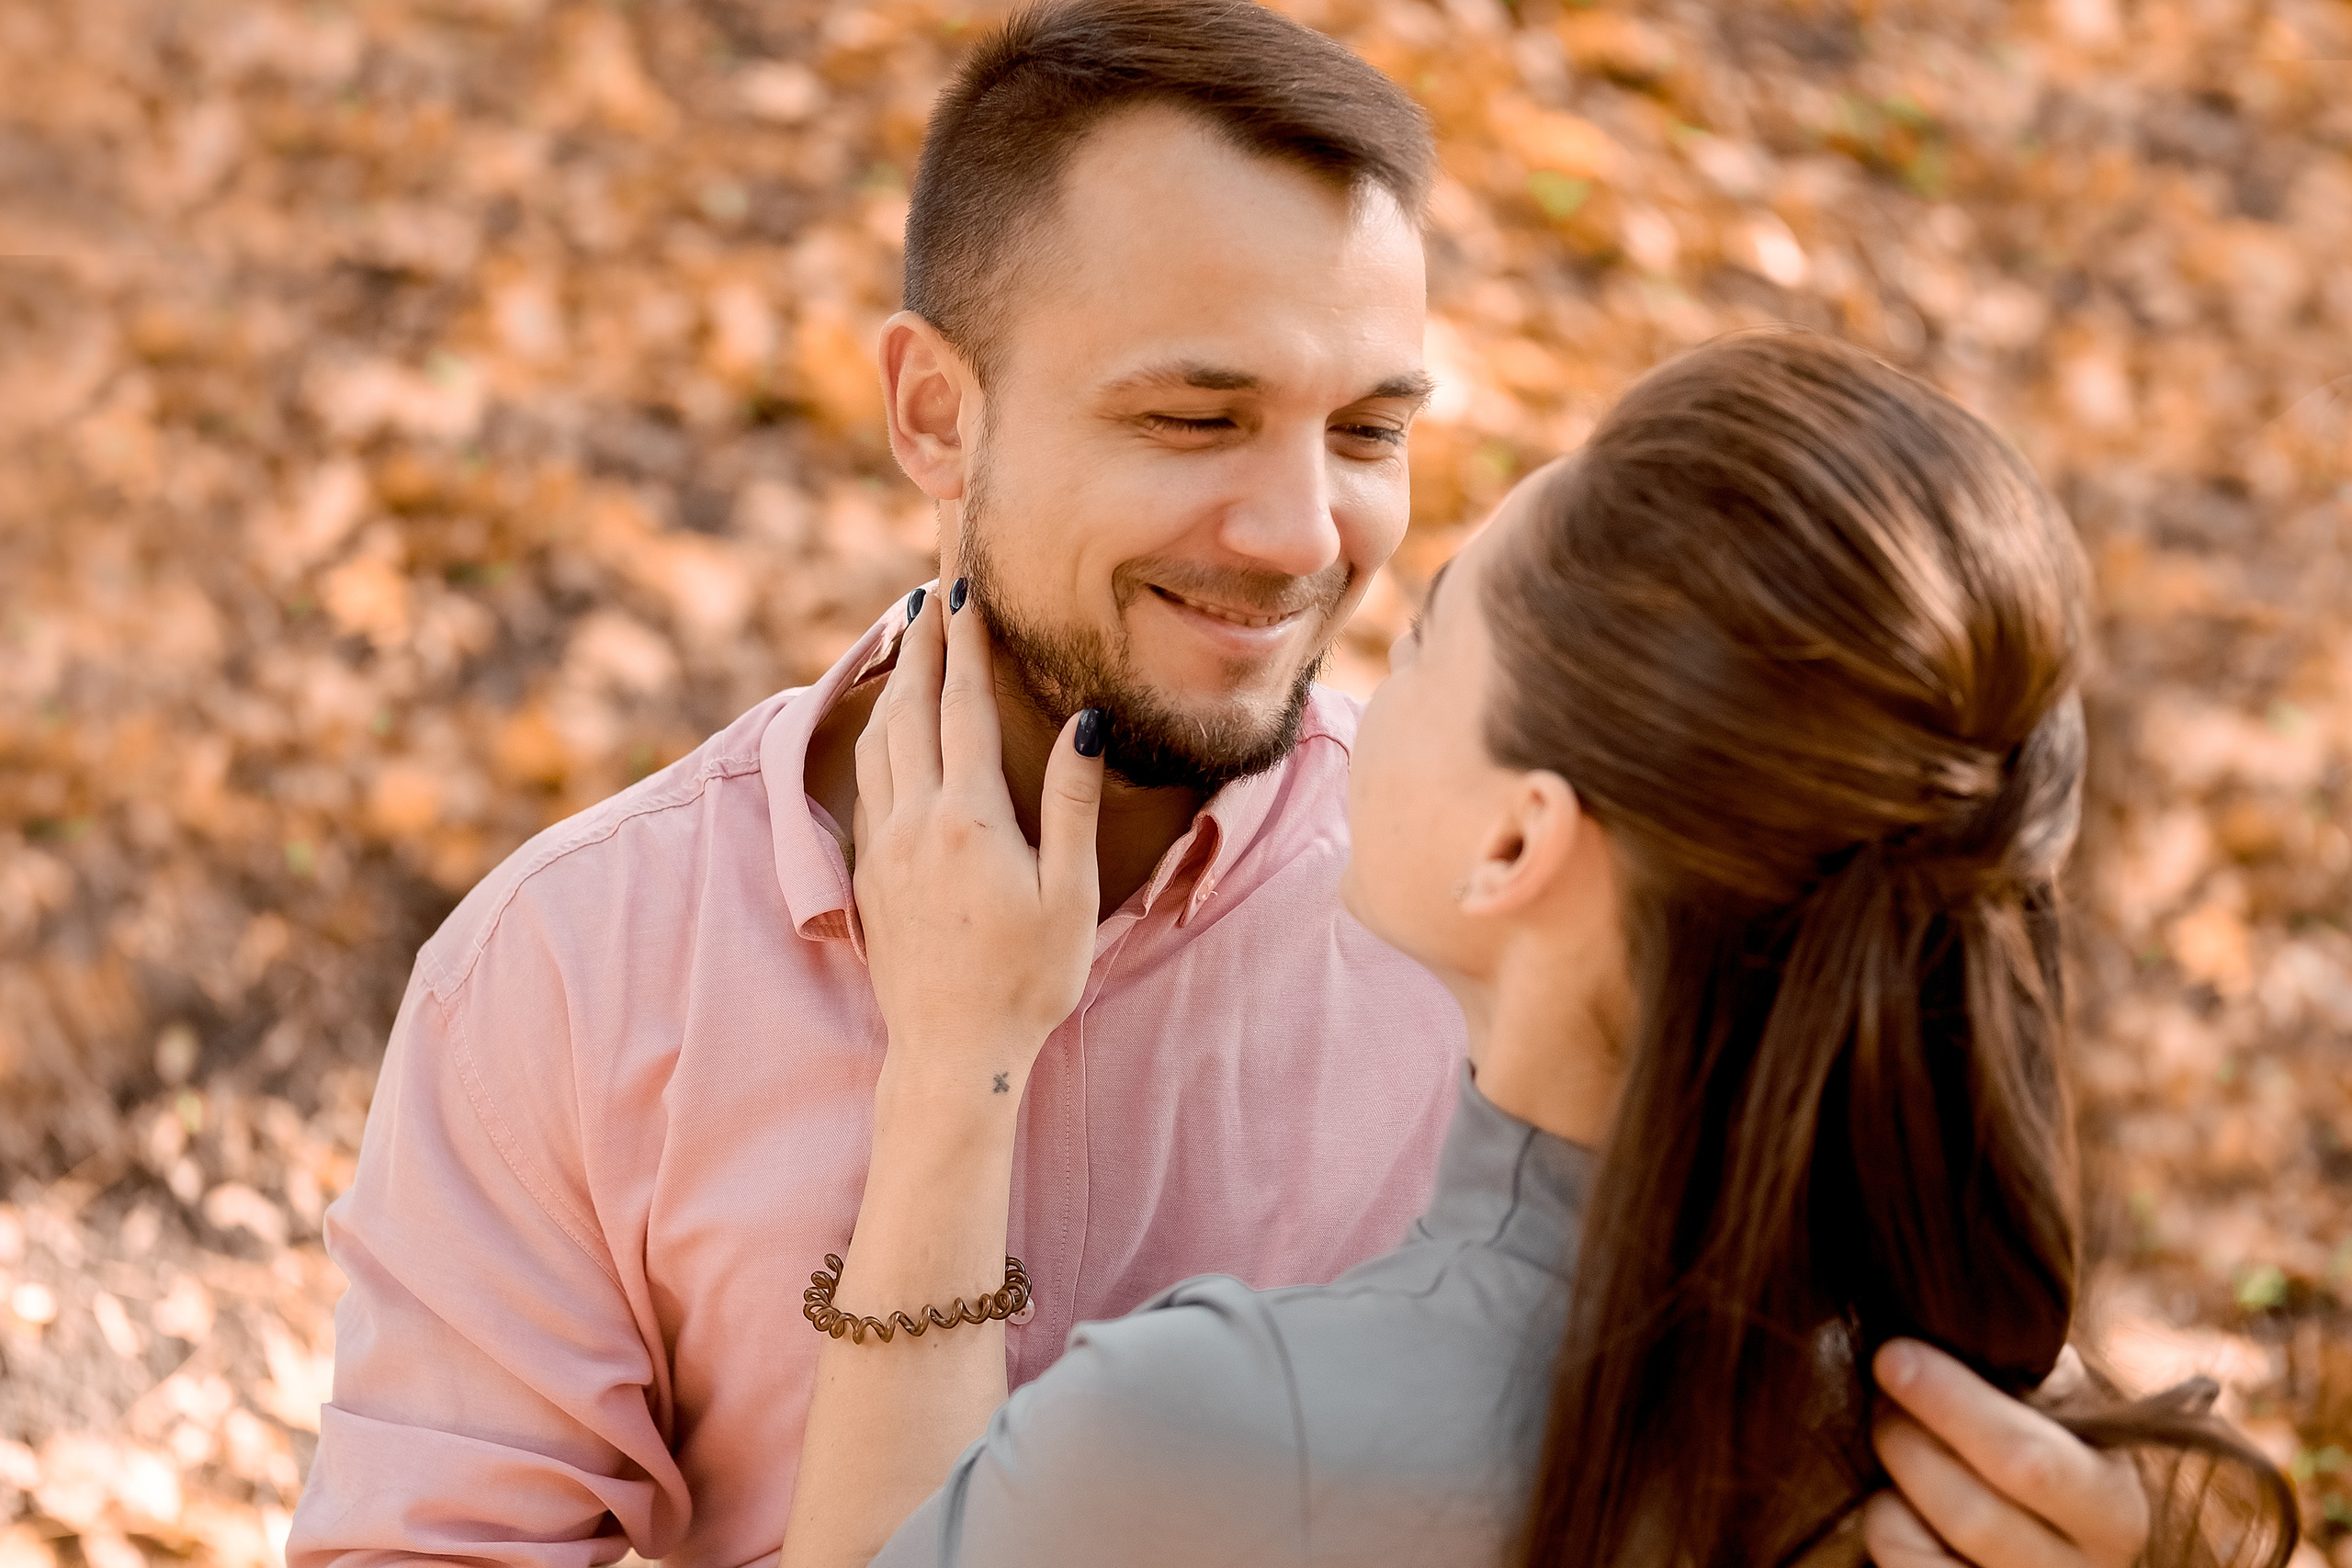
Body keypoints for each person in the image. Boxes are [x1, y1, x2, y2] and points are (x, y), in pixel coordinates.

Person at [288, 5, 2161, 1564]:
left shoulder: (1564, 924)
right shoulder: (571, 969)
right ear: (936, 411)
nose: (1297, 535)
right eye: (1192, 418)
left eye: (1366, 430)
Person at [787, 330, 2297, 1568]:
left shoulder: (1226, 1436)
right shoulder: (2042, 1481)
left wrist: (953, 1068)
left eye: (1437, 630)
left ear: (1517, 842)